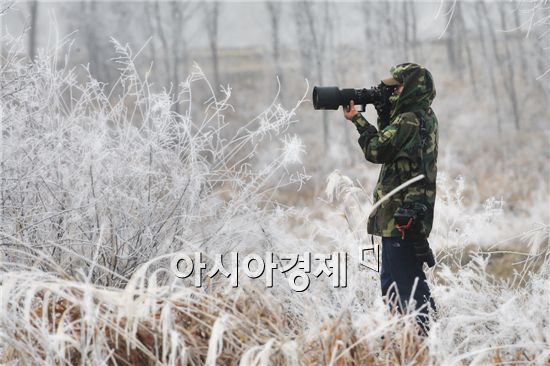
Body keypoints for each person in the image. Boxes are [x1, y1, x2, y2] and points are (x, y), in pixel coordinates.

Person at [342, 63, 438, 335]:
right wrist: (384, 113)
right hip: (406, 213)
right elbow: (396, 146)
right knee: (393, 281)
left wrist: (358, 120)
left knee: (405, 282)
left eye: (396, 87)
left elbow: (378, 149)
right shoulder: (422, 115)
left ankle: (425, 339)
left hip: (403, 215)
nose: (392, 92)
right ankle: (404, 338)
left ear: (411, 88)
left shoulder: (408, 119)